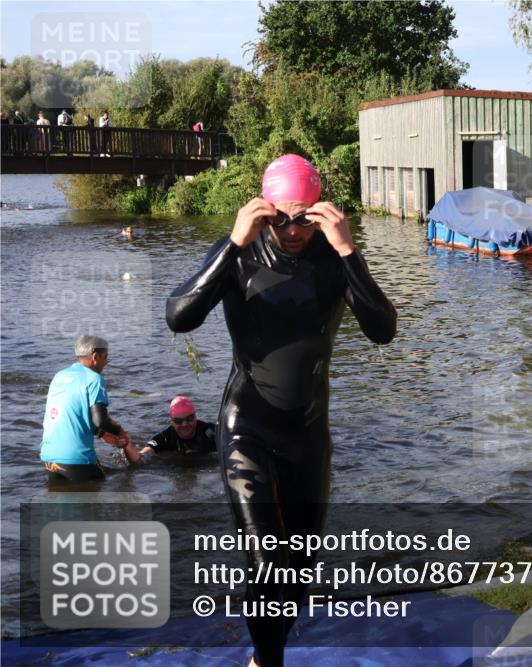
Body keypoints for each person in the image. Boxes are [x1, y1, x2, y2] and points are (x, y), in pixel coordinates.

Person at [166, 154, 396, 667]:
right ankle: (269, 663)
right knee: (266, 559)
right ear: (264, 211)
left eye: (305, 219)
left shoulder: (334, 258)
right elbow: (179, 317)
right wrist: (234, 242)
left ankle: (264, 654)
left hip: (308, 432)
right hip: (248, 424)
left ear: (320, 212)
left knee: (300, 568)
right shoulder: (240, 252)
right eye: (282, 219)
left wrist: (348, 250)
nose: (293, 231)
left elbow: (383, 330)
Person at [39, 336, 133, 481]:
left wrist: (102, 433)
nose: (106, 363)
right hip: (77, 460)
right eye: (105, 357)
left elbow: (74, 414)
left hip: (49, 460)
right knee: (125, 476)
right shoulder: (94, 379)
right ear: (95, 357)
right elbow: (100, 421)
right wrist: (119, 432)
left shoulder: (59, 376)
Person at [128, 396, 216, 463]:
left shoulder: (211, 431)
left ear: (196, 416)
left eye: (189, 418)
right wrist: (127, 446)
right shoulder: (165, 438)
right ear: (171, 422)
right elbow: (140, 458)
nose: (184, 424)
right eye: (178, 421)